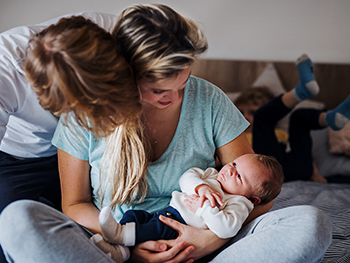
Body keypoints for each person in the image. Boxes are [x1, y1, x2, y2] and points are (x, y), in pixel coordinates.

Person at [0, 5, 332, 263]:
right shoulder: (88, 109)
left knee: (311, 223)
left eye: (183, 82)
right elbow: (74, 204)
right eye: (158, 90)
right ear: (125, 74)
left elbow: (259, 190)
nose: (173, 98)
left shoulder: (209, 99)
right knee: (16, 219)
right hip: (115, 245)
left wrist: (207, 242)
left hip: (204, 240)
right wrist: (130, 240)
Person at [0, 15, 141, 263]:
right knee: (12, 234)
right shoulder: (5, 71)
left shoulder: (116, 33)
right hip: (18, 157)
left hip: (88, 148)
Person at [90, 153, 284, 263]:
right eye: (234, 164)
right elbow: (187, 178)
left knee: (152, 230)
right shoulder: (212, 176)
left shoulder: (240, 203)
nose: (230, 170)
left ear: (254, 199)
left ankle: (119, 236)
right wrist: (201, 186)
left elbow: (227, 228)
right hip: (167, 212)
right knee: (135, 215)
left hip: (181, 229)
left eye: (239, 176)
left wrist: (204, 209)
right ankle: (121, 250)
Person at [236, 54, 350, 183]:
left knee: (298, 117)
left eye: (251, 112)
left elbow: (302, 148)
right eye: (240, 112)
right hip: (263, 173)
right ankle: (301, 92)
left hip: (293, 170)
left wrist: (316, 175)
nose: (245, 117)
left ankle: (330, 118)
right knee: (262, 118)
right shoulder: (235, 137)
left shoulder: (278, 134)